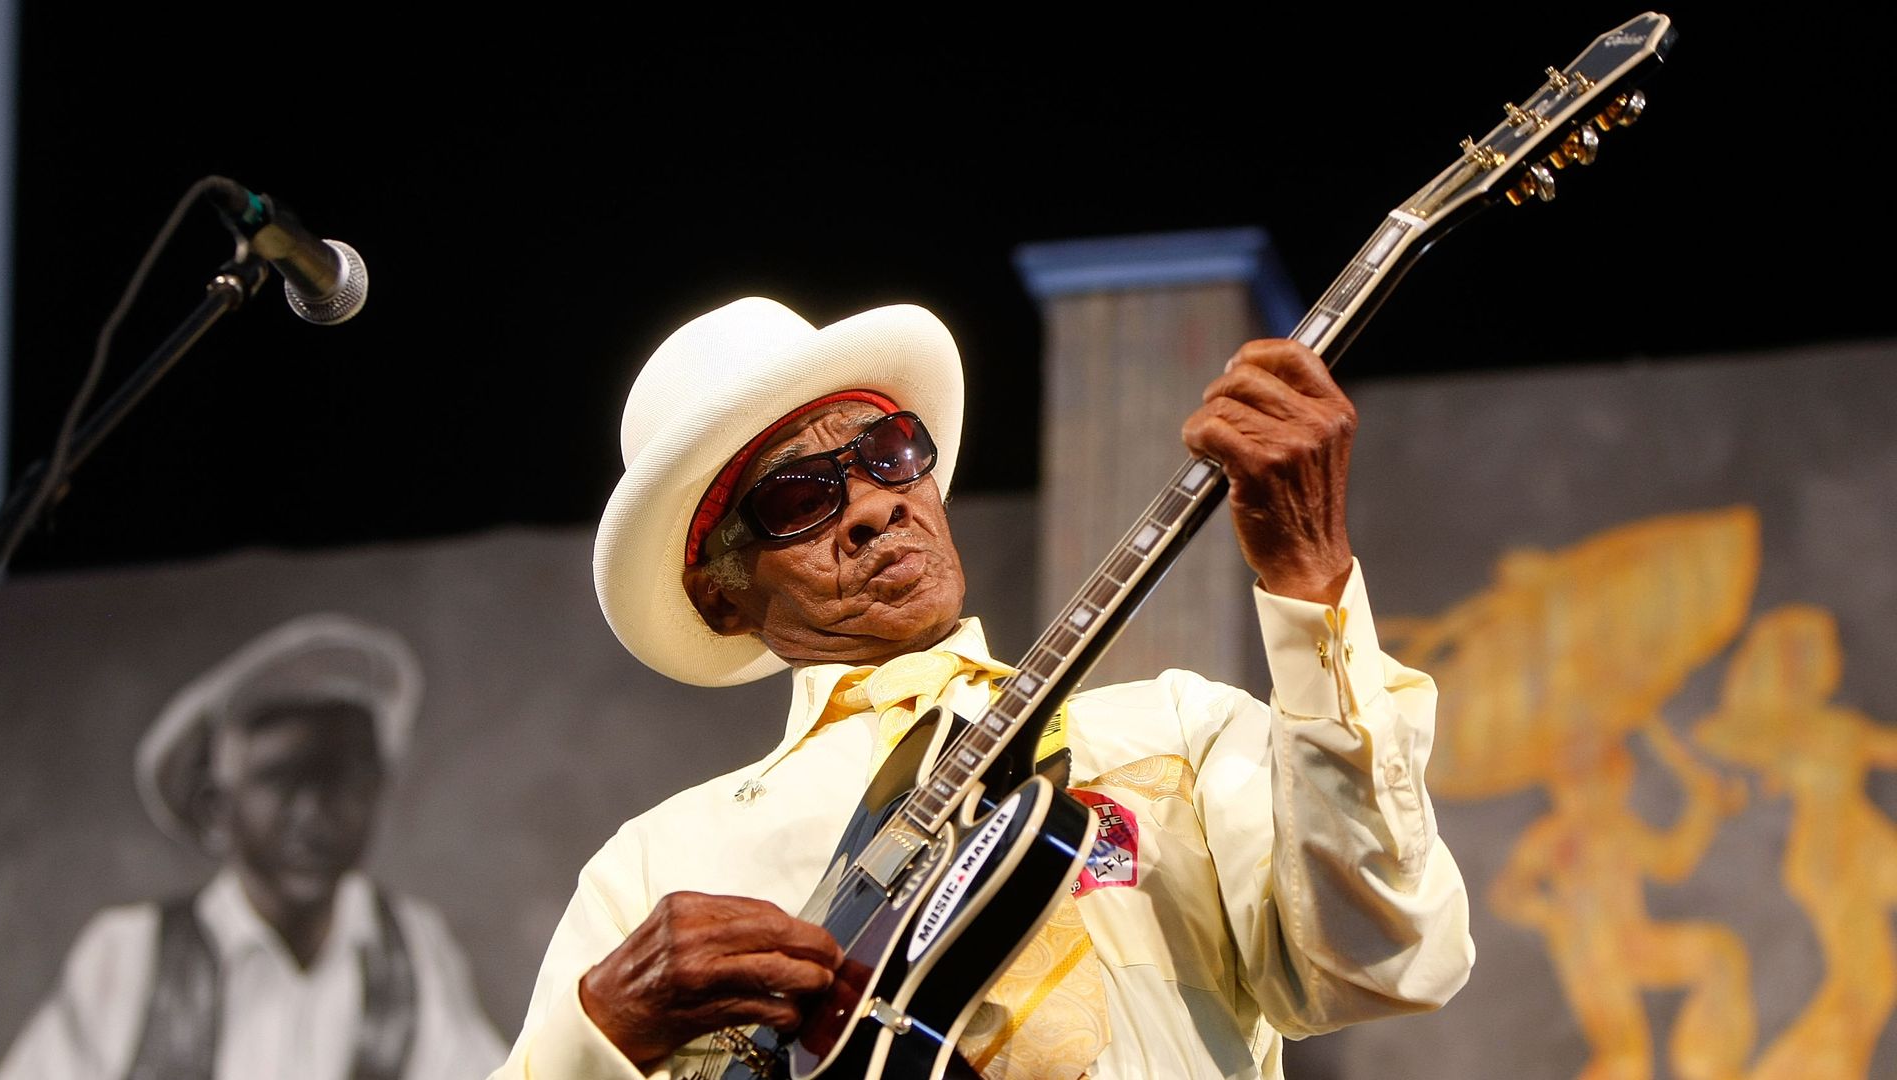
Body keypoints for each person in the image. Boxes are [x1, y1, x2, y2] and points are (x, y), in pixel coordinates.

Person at [496, 297, 1474, 1079]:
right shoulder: (656, 864)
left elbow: (1387, 961)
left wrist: (1311, 585)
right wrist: (604, 1029)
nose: (873, 506)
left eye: (887, 454)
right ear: (720, 598)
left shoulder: (1179, 726)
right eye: (797, 498)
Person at [0, 613, 508, 1080]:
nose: (314, 810)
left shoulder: (411, 947)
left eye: (346, 776)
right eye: (281, 778)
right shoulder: (129, 954)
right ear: (215, 808)